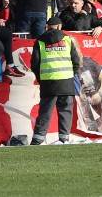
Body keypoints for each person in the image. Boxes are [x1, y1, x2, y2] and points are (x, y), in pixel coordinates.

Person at [29, 16, 81, 145]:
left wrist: (41, 78)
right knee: (65, 111)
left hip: (48, 82)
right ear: (59, 26)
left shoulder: (40, 41)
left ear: (47, 27)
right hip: (66, 81)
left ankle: (38, 139)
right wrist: (70, 74)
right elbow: (76, 61)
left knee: (45, 112)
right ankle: (64, 139)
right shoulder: (68, 39)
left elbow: (34, 64)